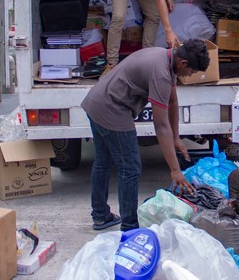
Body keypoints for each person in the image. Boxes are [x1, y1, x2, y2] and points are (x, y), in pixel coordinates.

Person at [80, 39, 209, 231]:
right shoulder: (161, 74)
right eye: (190, 72)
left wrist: (176, 138)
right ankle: (129, 227)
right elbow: (160, 125)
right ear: (183, 63)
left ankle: (100, 215)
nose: (189, 75)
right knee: (130, 168)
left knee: (103, 161)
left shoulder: (165, 57)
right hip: (111, 109)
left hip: (96, 102)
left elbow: (172, 101)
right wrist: (175, 170)